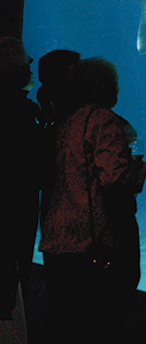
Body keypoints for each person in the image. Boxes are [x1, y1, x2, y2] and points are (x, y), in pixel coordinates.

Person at [39, 56, 145, 344]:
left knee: (64, 321)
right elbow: (112, 179)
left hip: (58, 238)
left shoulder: (63, 121)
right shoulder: (104, 122)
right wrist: (133, 172)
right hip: (92, 241)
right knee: (100, 323)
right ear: (105, 87)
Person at [0, 38, 41, 331]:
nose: (31, 63)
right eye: (25, 60)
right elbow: (33, 169)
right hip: (13, 215)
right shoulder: (21, 112)